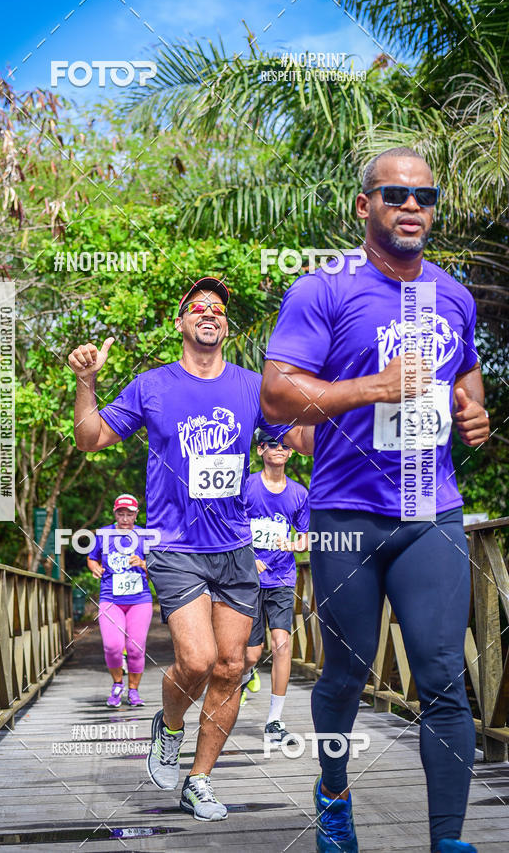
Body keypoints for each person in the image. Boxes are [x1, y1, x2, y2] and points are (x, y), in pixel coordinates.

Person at [260, 148, 490, 853]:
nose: (412, 206)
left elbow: (468, 379)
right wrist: (372, 388)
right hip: (345, 514)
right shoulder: (323, 289)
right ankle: (333, 792)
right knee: (346, 672)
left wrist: (472, 412)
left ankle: (447, 840)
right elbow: (275, 392)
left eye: (425, 196)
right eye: (395, 194)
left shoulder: (453, 295)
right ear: (365, 206)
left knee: (445, 678)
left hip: (431, 511)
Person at [69, 277, 313, 821]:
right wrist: (86, 382)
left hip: (235, 548)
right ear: (180, 323)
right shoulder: (152, 386)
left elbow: (303, 441)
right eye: (198, 307)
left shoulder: (253, 386)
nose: (210, 313)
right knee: (197, 660)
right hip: (176, 547)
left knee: (231, 667)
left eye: (219, 309)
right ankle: (169, 723)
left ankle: (199, 780)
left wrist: (337, 396)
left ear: (225, 326)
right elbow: (90, 439)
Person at [241, 429, 310, 745]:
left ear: (292, 452)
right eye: (272, 444)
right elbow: (229, 526)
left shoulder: (298, 494)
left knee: (282, 644)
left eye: (285, 445)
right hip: (248, 579)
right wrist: (247, 557)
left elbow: (308, 535)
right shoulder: (247, 486)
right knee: (251, 655)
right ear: (260, 450)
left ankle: (274, 721)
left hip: (282, 578)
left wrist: (296, 543)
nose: (279, 449)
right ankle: (246, 676)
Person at [87, 494, 153, 707]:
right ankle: (117, 684)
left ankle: (133, 691)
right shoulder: (104, 534)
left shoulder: (145, 535)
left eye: (129, 514)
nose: (125, 518)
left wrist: (143, 563)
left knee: (135, 647)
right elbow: (91, 557)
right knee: (113, 646)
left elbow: (158, 565)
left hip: (139, 600)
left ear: (136, 515)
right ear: (114, 513)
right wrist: (94, 567)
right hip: (110, 599)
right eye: (120, 513)